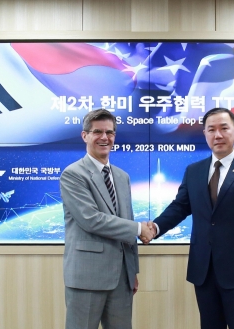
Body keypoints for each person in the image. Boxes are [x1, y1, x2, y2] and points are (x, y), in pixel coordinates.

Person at [150, 107, 234, 329]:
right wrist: (155, 228)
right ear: (205, 134)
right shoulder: (194, 171)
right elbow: (180, 207)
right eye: (211, 130)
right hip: (204, 270)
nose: (218, 135)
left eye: (224, 128)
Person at [60, 109, 155, 329]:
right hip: (87, 277)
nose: (105, 138)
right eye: (98, 132)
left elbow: (126, 220)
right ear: (85, 136)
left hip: (121, 279)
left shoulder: (122, 177)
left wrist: (133, 272)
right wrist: (139, 228)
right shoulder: (73, 174)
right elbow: (91, 219)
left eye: (110, 132)